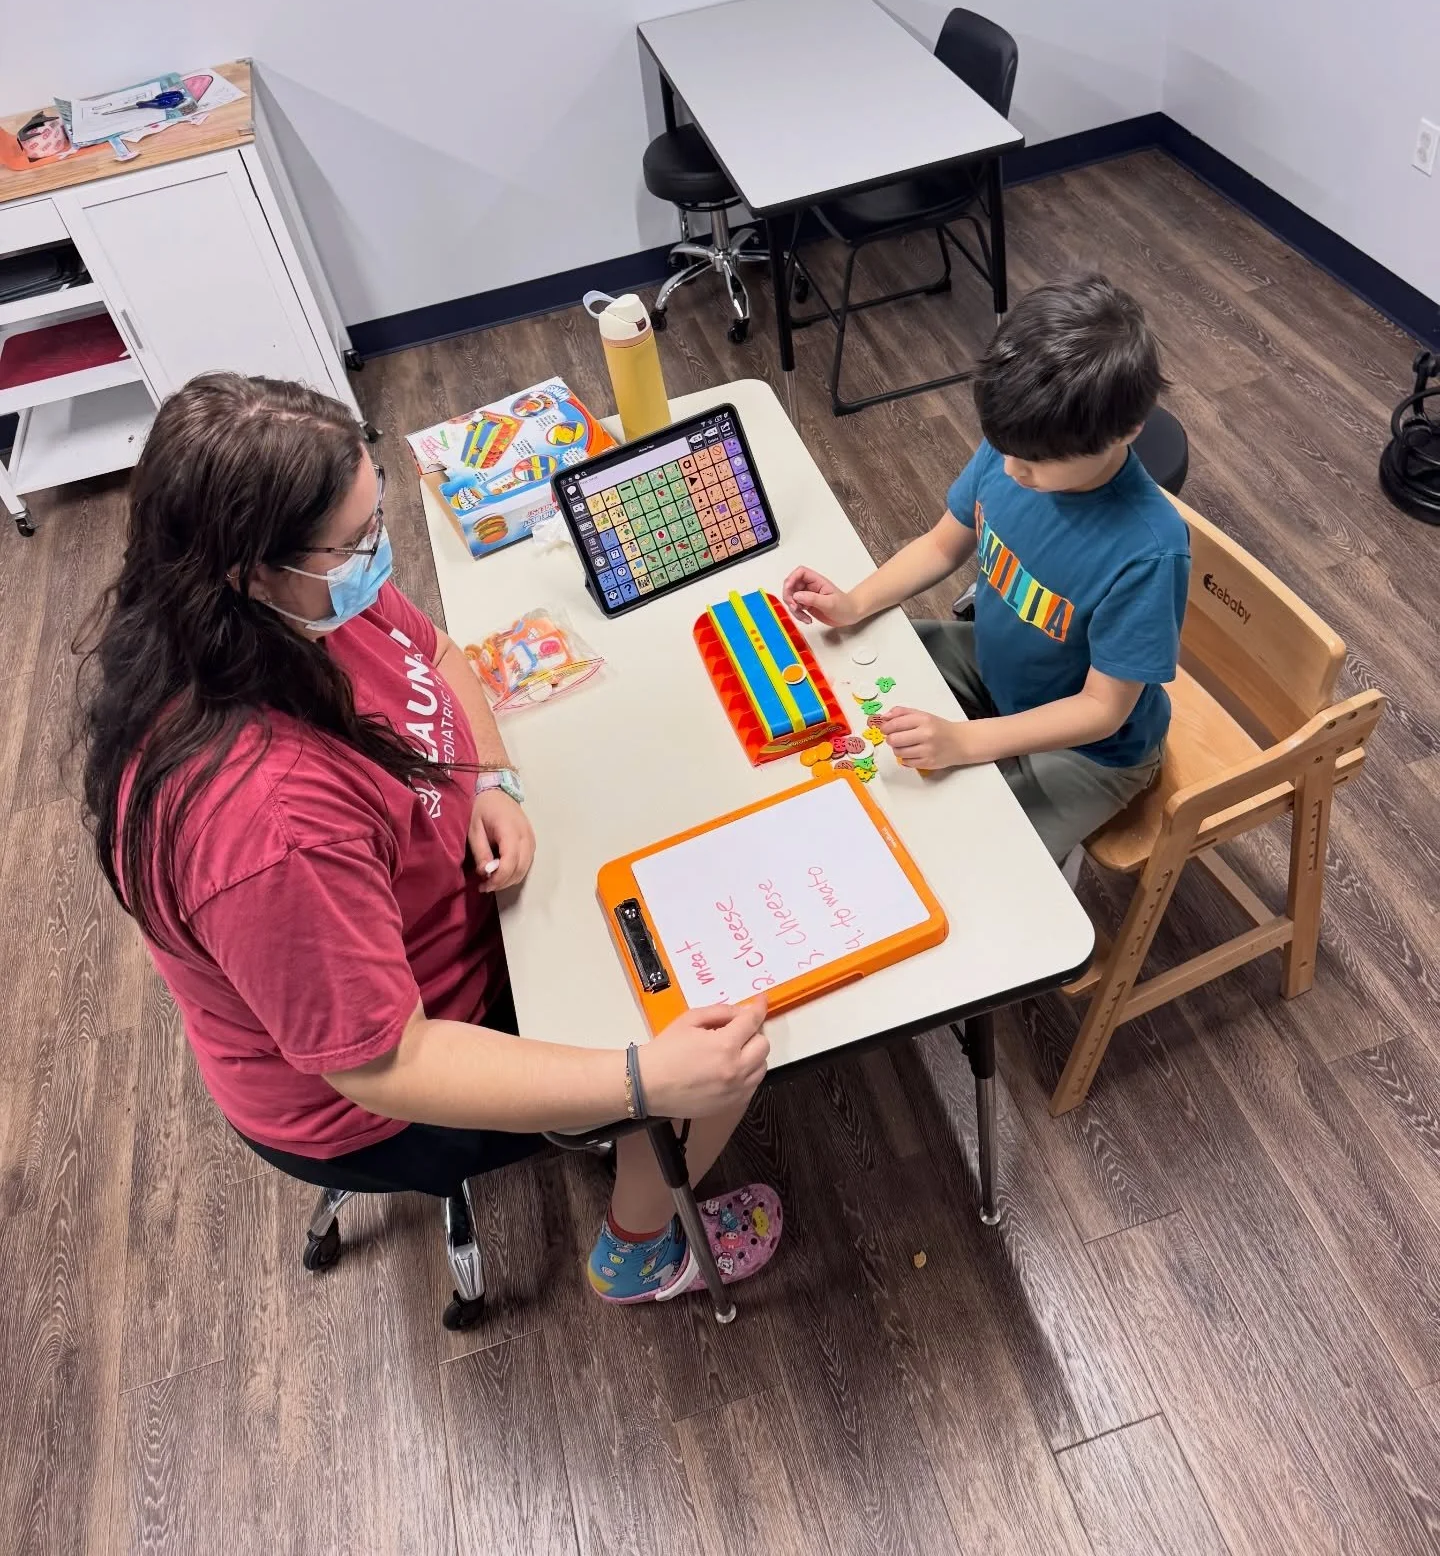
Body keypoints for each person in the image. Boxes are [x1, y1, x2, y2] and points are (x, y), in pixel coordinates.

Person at [78, 373, 781, 1305]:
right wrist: (639, 1076)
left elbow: (439, 654)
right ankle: (642, 1250)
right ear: (251, 566)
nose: (379, 555)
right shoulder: (268, 825)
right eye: (356, 539)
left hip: (463, 928)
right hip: (387, 1087)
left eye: (376, 518)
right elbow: (388, 1065)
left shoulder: (295, 603)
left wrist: (489, 778)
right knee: (716, 1043)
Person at [784, 275, 1191, 863]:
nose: (1011, 470)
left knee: (972, 856)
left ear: (1128, 430)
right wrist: (853, 602)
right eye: (1006, 451)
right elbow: (941, 546)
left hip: (1092, 750)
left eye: (1036, 463)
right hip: (1000, 669)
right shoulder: (1017, 449)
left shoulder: (1148, 552)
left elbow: (1103, 710)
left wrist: (966, 741)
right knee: (844, 659)